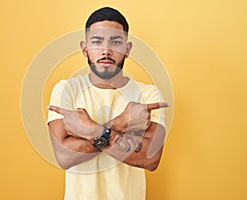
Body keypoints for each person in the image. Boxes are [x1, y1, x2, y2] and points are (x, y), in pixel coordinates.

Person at [47, 7, 169, 200]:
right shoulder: (66, 90)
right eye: (97, 41)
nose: (106, 50)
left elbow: (150, 158)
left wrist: (89, 130)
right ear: (84, 48)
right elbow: (64, 157)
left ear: (127, 49)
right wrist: (120, 123)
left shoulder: (147, 94)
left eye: (116, 42)